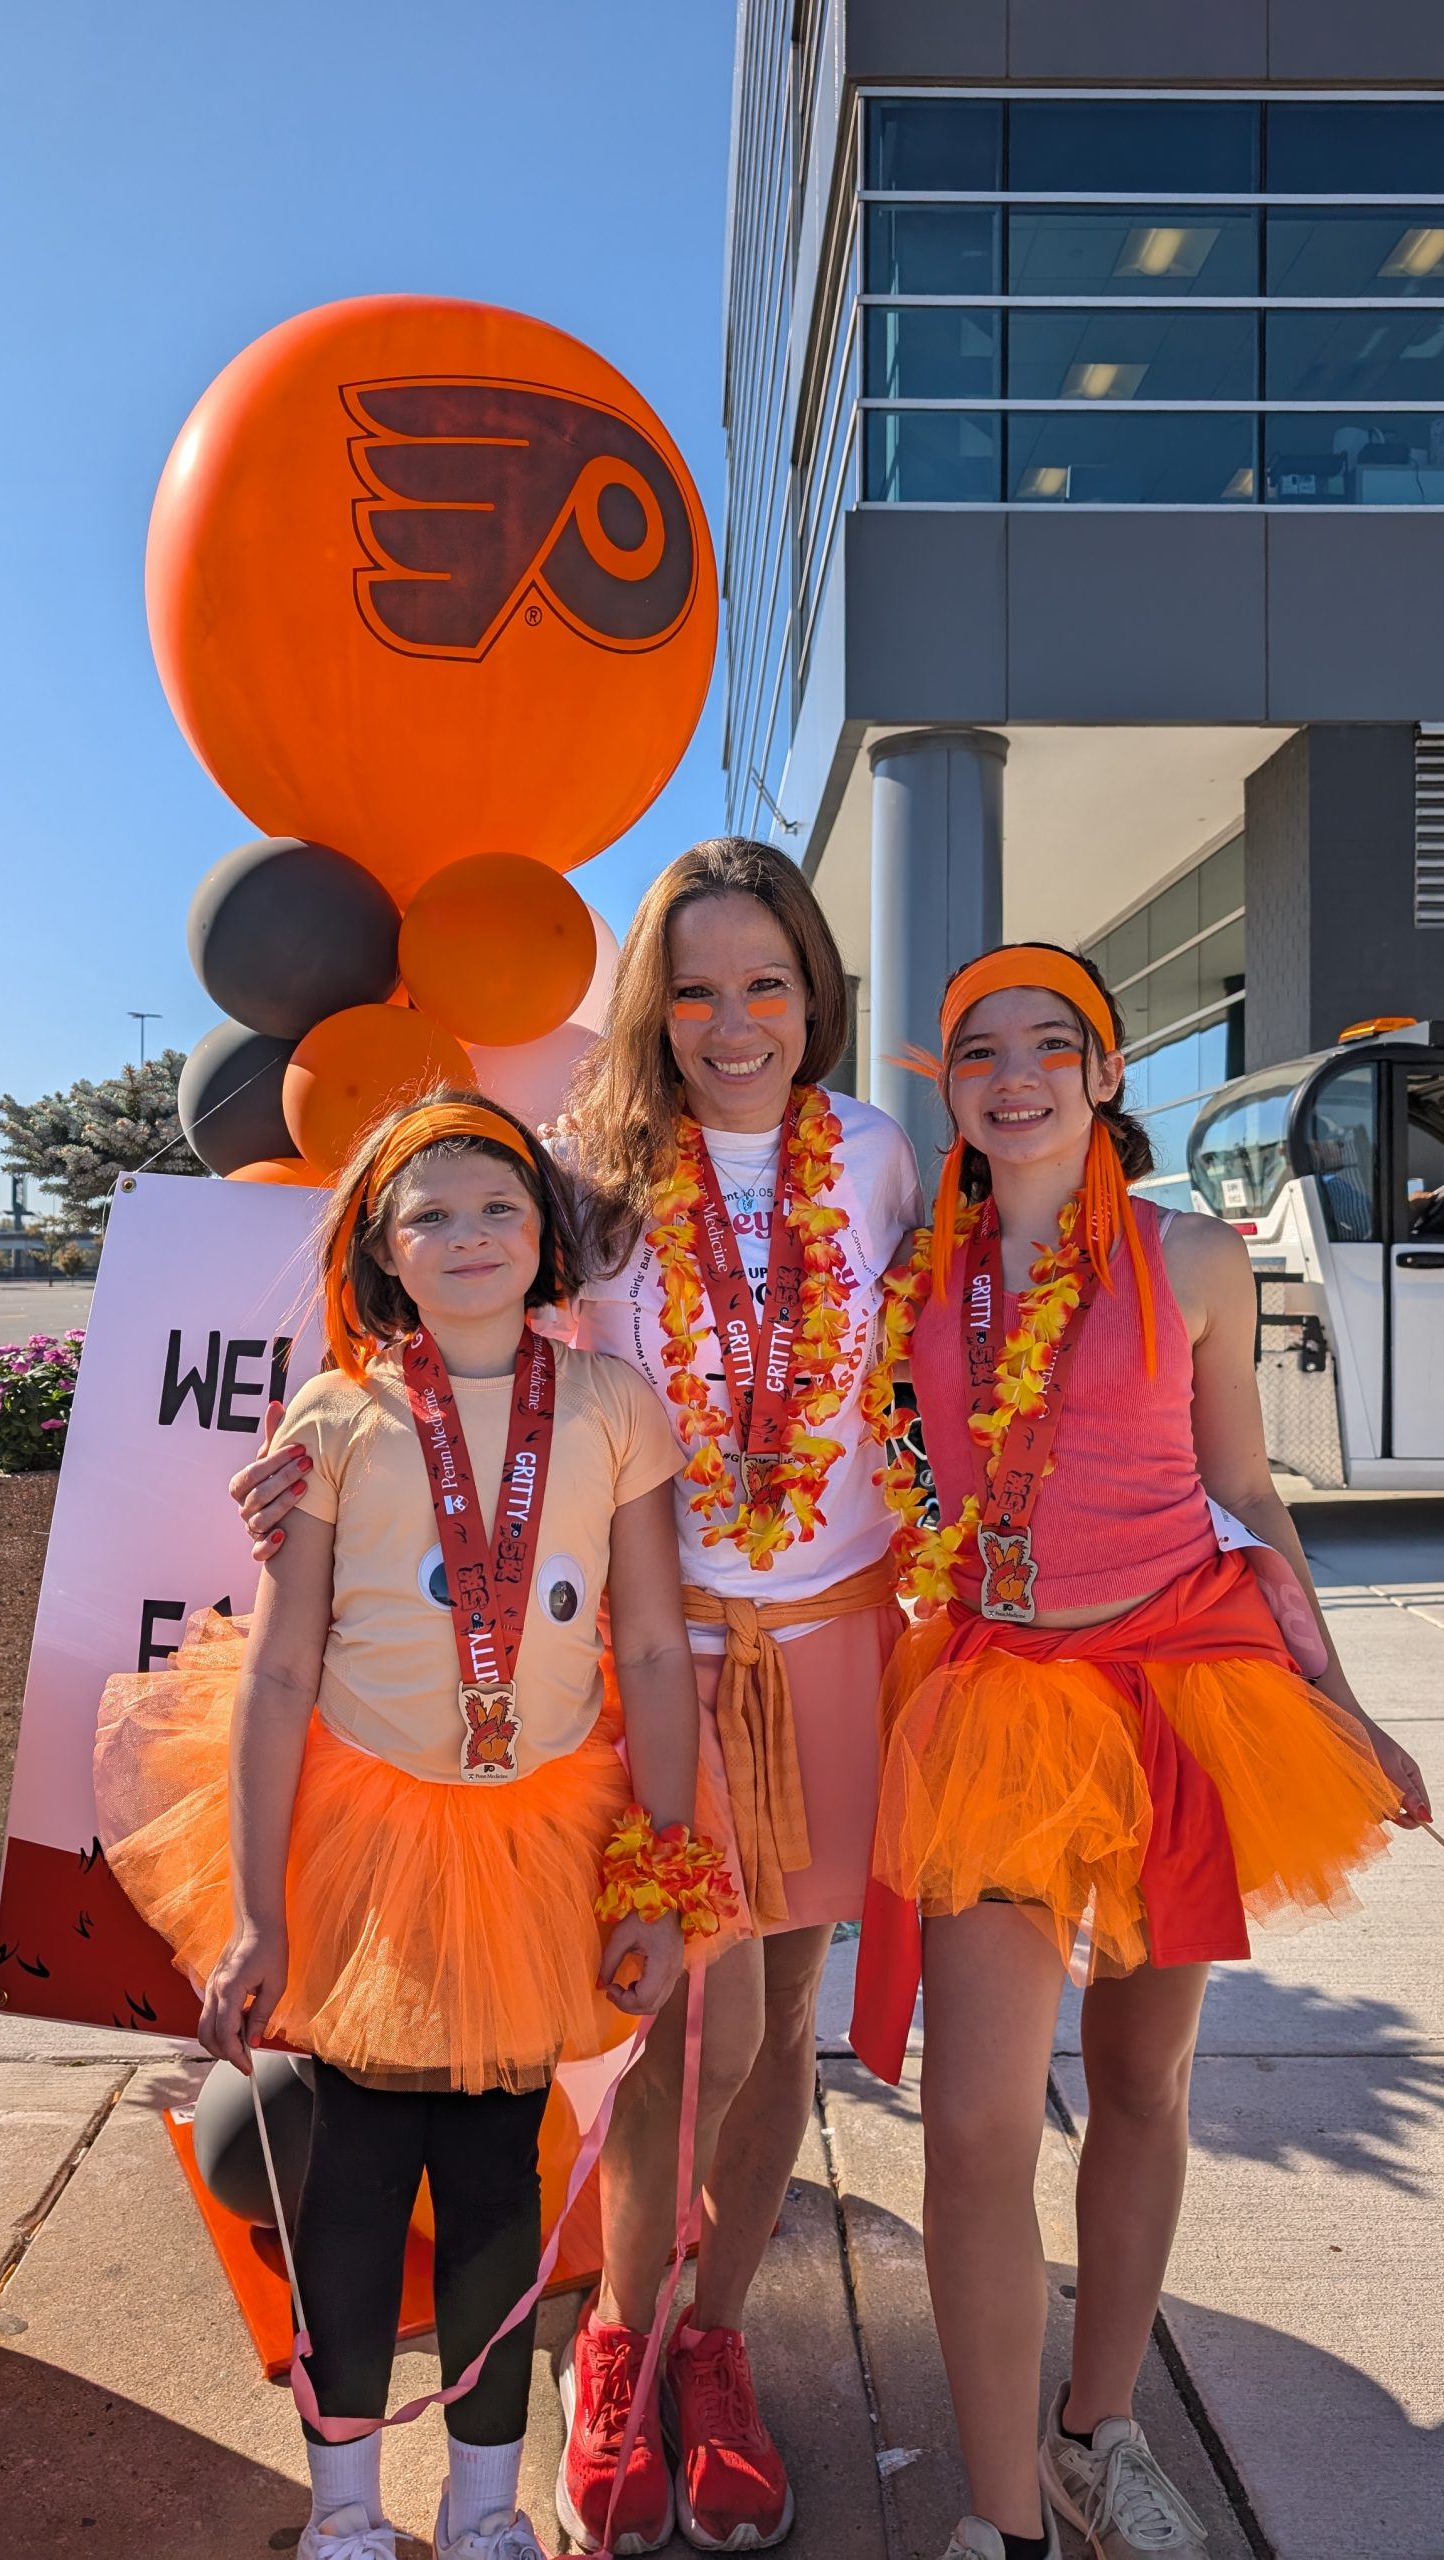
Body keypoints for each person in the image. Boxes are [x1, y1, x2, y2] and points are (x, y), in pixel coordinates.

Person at [235, 841, 922, 2555]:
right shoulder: (594, 1174)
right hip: (652, 1650)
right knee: (694, 2023)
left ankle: (711, 2343)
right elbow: (458, 1342)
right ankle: (615, 2339)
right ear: (649, 1008)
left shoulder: (879, 1158)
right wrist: (303, 1474)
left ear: (816, 995)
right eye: (695, 989)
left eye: (767, 984)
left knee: (784, 2027)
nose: (734, 1022)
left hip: (830, 1629)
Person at [851, 945, 1430, 2560]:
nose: (1016, 1076)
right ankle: (1000, 2519)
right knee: (974, 2120)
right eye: (980, 1050)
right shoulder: (909, 1277)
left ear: (1107, 1074)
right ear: (950, 1087)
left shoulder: (1195, 1257)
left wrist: (1345, 1698)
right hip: (1000, 1702)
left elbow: (1246, 1494)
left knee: (1140, 2081)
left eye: (1054, 1044)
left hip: (1182, 1689)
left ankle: (1096, 2432)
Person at [96, 1095, 733, 2560]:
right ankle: (344, 2513)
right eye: (428, 1216)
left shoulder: (613, 1406)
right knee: (357, 2187)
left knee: (500, 2186)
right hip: (370, 1840)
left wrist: (658, 1874)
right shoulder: (336, 1417)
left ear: (546, 1235)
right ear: (382, 1253)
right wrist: (259, 1910)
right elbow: (279, 1674)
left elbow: (649, 1650)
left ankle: (486, 2508)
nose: (468, 1236)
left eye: (499, 1207)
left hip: (538, 1838)